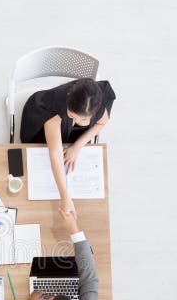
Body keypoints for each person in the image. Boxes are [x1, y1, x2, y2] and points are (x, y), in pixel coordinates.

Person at [20, 78, 115, 213]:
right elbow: (55, 153)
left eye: (83, 119)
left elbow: (101, 123)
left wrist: (77, 146)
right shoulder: (54, 106)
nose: (76, 120)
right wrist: (65, 196)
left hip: (73, 132)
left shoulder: (100, 103)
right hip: (43, 119)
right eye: (72, 115)